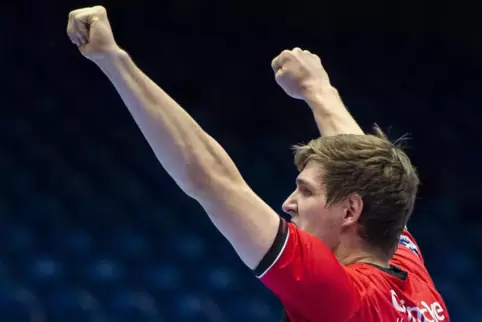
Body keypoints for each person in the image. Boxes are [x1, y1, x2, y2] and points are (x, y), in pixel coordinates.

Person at [66, 6, 449, 321]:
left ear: (350, 211)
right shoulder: (411, 277)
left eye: (306, 190)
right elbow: (364, 167)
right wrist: (319, 92)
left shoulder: (342, 298)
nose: (288, 203)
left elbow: (213, 181)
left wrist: (114, 61)